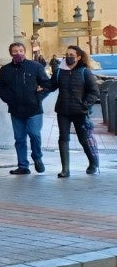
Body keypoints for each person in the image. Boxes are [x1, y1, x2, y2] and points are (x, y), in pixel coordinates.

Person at [0, 42, 53, 175]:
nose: (18, 53)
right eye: (15, 51)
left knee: (34, 134)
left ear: (25, 52)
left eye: (21, 50)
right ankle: (23, 166)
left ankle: (37, 157)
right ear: (11, 53)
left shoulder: (35, 67)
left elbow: (47, 84)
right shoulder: (5, 70)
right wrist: (8, 99)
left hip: (34, 109)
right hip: (16, 110)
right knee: (19, 139)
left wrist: (39, 97)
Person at [53, 44, 100, 178]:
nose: (68, 58)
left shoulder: (85, 71)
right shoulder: (59, 72)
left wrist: (86, 105)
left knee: (84, 139)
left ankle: (93, 162)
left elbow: (94, 91)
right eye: (66, 55)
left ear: (78, 57)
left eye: (71, 56)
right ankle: (65, 169)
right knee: (63, 138)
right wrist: (38, 88)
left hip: (80, 112)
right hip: (63, 110)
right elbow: (50, 85)